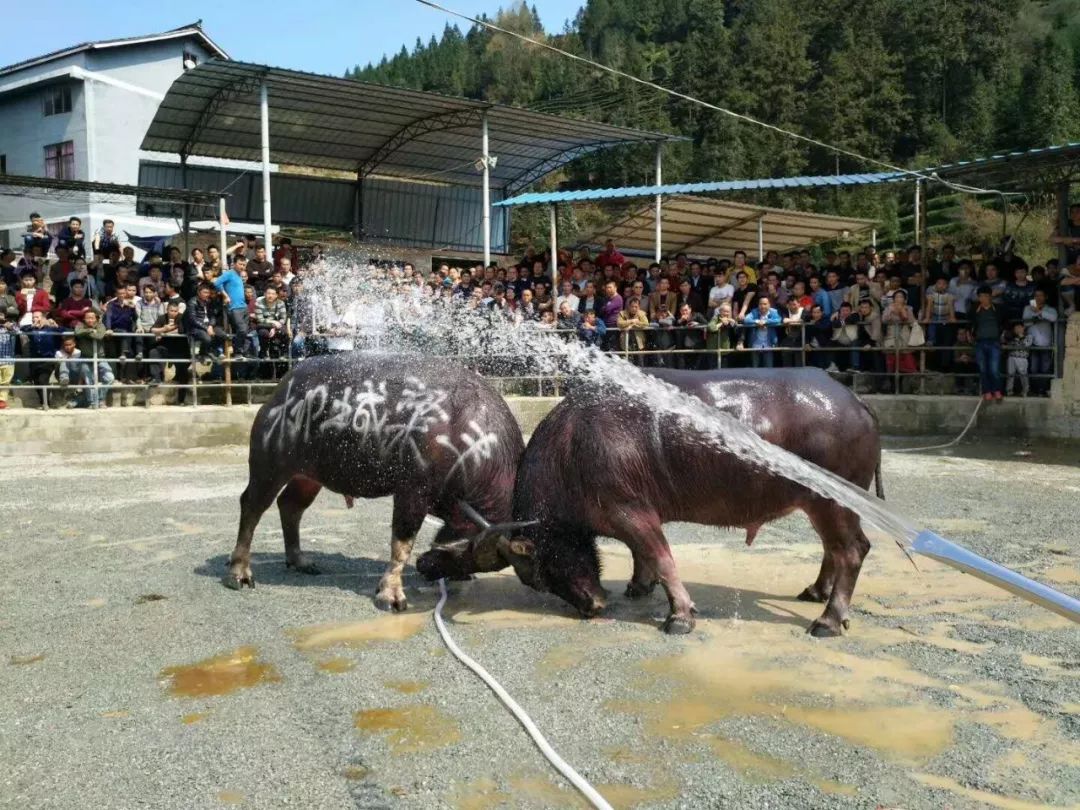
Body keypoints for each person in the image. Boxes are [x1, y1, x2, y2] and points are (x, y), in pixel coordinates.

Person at [147, 302, 190, 402]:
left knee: (183, 373)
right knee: (153, 352)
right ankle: (156, 378)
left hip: (180, 348)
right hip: (165, 346)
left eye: (175, 311)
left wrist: (165, 330)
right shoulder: (162, 317)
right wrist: (164, 329)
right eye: (171, 311)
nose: (173, 313)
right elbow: (152, 329)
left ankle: (181, 400)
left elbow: (181, 330)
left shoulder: (182, 317)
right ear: (167, 310)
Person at [969, 285, 1005, 401]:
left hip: (994, 341)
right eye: (981, 296)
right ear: (978, 298)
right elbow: (969, 323)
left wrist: (1003, 334)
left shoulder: (998, 309)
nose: (984, 298)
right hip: (980, 342)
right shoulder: (974, 309)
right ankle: (987, 391)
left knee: (994, 369)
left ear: (991, 297)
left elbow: (1006, 323)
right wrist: (969, 333)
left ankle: (997, 390)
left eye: (986, 296)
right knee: (983, 368)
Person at [72, 311, 116, 406]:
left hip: (100, 357)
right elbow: (77, 332)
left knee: (110, 378)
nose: (90, 320)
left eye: (92, 318)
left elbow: (99, 336)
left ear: (96, 318)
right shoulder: (80, 325)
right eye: (88, 318)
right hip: (85, 358)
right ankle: (92, 402)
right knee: (88, 379)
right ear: (84, 318)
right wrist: (90, 331)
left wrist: (86, 334)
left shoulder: (100, 325)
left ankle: (100, 399)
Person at [212, 257, 251, 361]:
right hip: (234, 307)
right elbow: (216, 283)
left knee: (245, 330)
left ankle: (240, 352)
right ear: (234, 264)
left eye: (244, 264)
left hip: (243, 307)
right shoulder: (229, 273)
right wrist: (225, 295)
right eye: (240, 264)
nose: (242, 266)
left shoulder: (239, 275)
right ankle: (237, 351)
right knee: (242, 330)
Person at [22, 310, 62, 408]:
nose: (35, 319)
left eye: (37, 317)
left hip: (47, 359)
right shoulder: (32, 330)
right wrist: (32, 326)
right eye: (33, 318)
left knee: (42, 379)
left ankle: (46, 403)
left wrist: (56, 325)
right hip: (35, 360)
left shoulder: (50, 329)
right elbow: (23, 328)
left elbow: (64, 331)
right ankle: (43, 401)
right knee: (36, 381)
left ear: (43, 318)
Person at [1022, 289, 1057, 397]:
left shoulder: (1050, 309)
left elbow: (1053, 318)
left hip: (1046, 343)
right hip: (1032, 343)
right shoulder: (1028, 308)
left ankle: (1042, 390)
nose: (1038, 297)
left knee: (1045, 368)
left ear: (1045, 297)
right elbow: (1025, 321)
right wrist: (1038, 316)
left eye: (1041, 295)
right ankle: (1034, 390)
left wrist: (1038, 312)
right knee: (1033, 368)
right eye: (1036, 295)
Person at [881, 289, 918, 384]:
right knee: (891, 360)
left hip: (904, 336)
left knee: (905, 359)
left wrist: (903, 310)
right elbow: (884, 320)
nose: (899, 299)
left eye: (901, 297)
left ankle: (905, 384)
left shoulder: (909, 308)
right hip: (891, 336)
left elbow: (911, 322)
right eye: (897, 297)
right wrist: (891, 311)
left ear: (905, 299)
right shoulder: (889, 307)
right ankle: (891, 383)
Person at [922, 276, 956, 372]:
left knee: (946, 344)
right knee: (933, 336)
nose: (941, 286)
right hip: (935, 319)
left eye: (943, 284)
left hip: (945, 321)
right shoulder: (931, 295)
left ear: (947, 286)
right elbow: (929, 307)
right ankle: (931, 341)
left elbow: (951, 307)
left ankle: (945, 366)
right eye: (939, 283)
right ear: (935, 285)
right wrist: (927, 318)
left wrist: (952, 317)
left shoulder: (950, 296)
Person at [743, 295, 781, 368]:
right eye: (761, 304)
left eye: (765, 304)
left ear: (769, 305)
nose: (763, 306)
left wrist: (765, 322)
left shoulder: (774, 311)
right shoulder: (754, 311)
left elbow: (778, 320)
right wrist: (757, 321)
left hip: (769, 344)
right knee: (755, 368)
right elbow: (746, 320)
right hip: (755, 344)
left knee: (769, 368)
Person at [616, 297, 650, 364]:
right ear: (629, 306)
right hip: (625, 341)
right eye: (632, 306)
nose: (634, 308)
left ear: (639, 307)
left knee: (640, 362)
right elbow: (619, 323)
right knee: (626, 363)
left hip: (639, 342)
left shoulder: (642, 314)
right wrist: (632, 320)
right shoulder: (622, 313)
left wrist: (632, 325)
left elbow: (646, 324)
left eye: (636, 307)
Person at [673, 302, 707, 369]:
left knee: (698, 367)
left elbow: (707, 325)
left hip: (697, 347)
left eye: (686, 310)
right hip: (684, 348)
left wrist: (697, 324)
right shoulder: (678, 319)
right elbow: (673, 328)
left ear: (690, 309)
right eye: (682, 310)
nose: (684, 312)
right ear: (680, 311)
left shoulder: (697, 315)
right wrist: (680, 321)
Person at [1003, 322, 1033, 398]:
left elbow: (1027, 344)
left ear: (1023, 328)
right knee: (1010, 374)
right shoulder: (1011, 336)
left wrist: (1020, 337)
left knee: (1023, 375)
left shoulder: (1028, 336)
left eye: (1019, 327)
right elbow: (1004, 342)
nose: (1018, 329)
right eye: (1016, 328)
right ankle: (1009, 391)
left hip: (1022, 358)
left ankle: (1025, 391)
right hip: (1011, 357)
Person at [0, 312, 17, 409]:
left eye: (1, 315)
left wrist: (8, 325)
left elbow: (18, 330)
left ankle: (2, 401)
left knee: (5, 382)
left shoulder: (11, 325)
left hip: (8, 360)